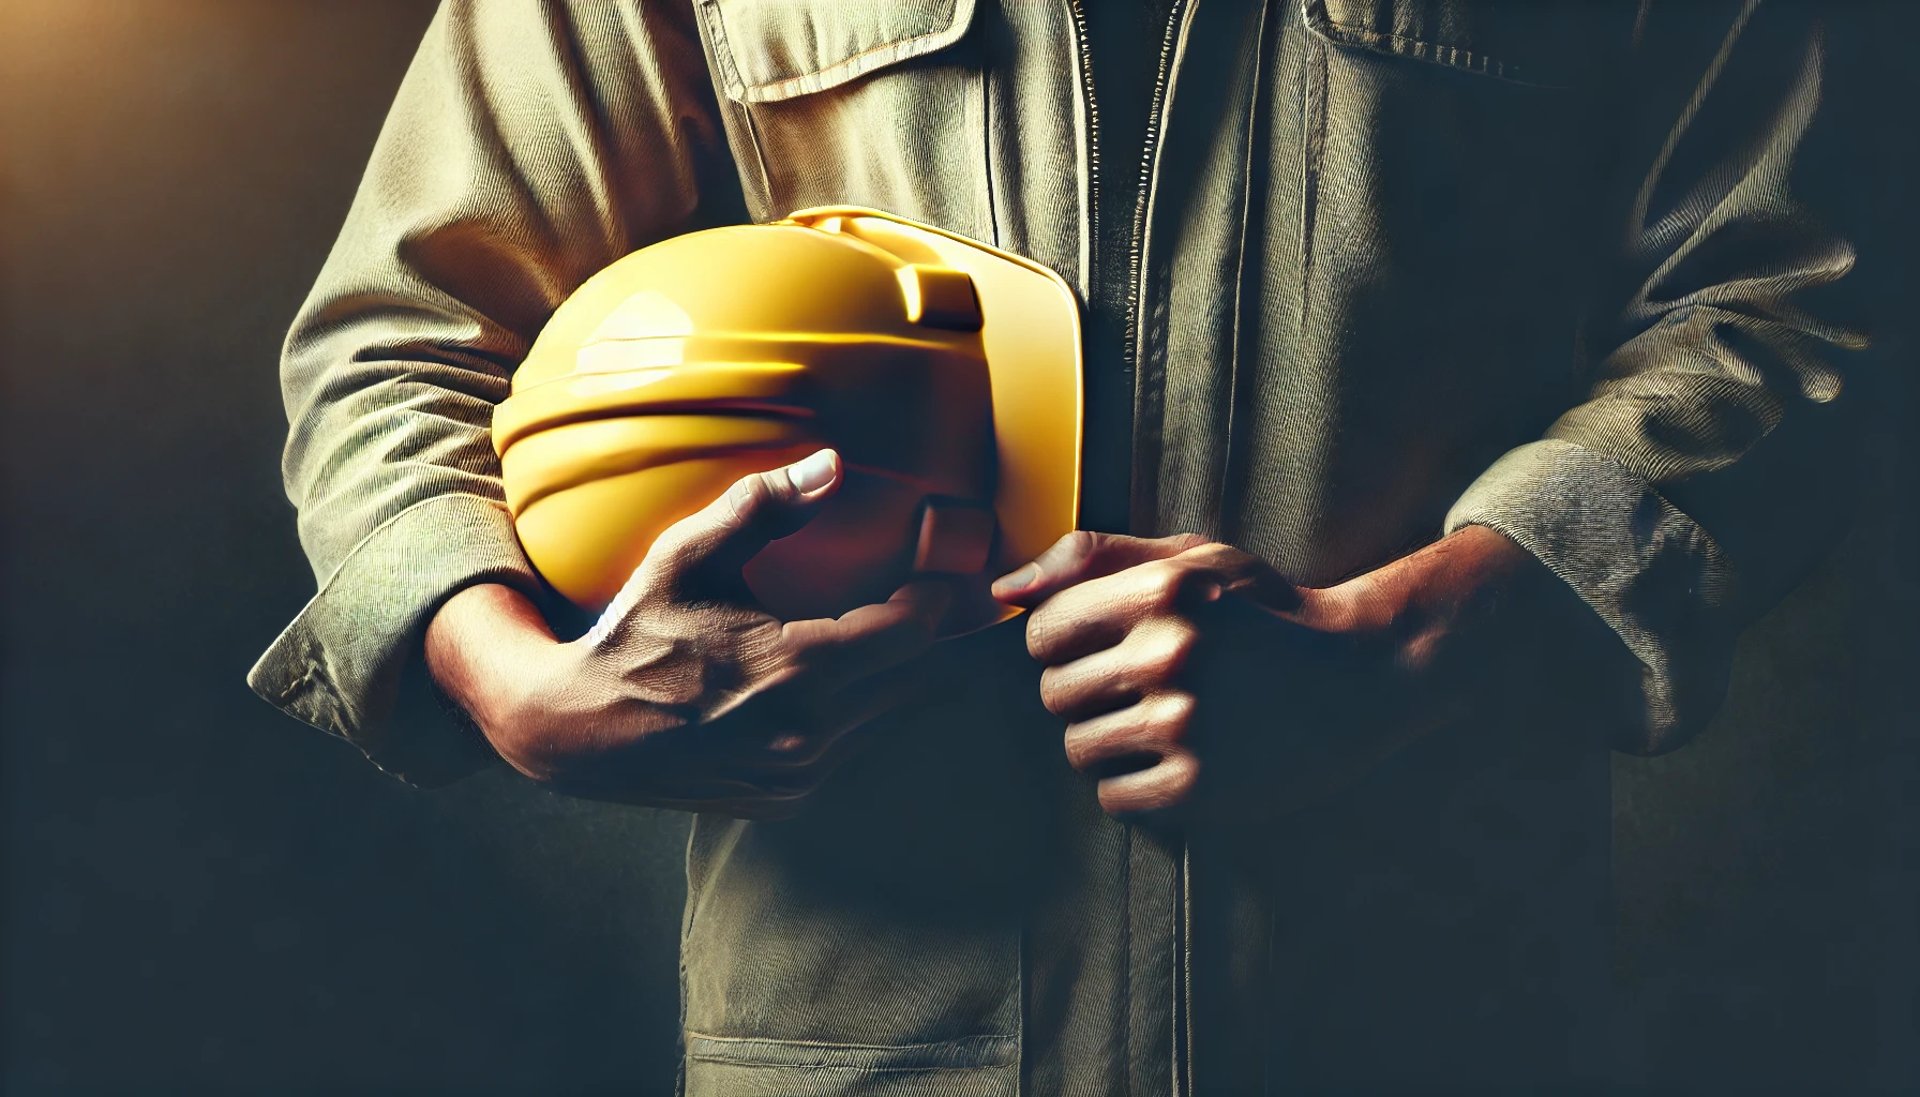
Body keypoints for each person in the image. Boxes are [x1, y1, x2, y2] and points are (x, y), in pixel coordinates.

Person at [248, 1, 1861, 1092]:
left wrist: (1406, 644)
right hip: (867, 1030)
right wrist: (512, 676)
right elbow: (405, 333)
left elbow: (1799, 299)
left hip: (1414, 1014)